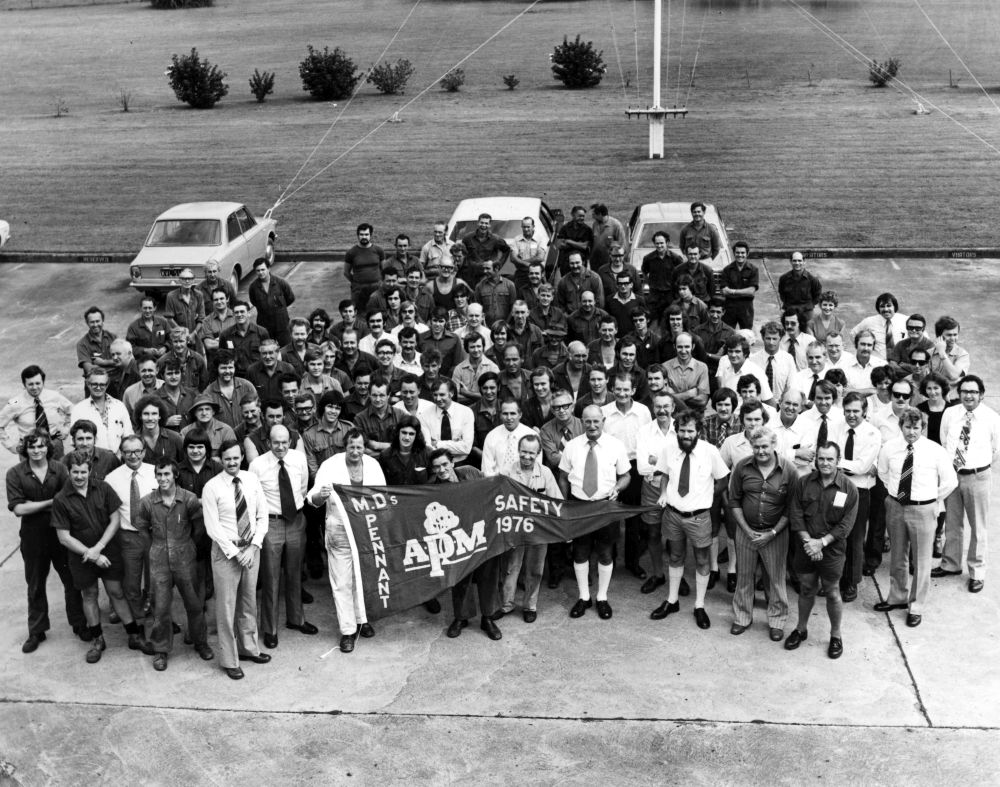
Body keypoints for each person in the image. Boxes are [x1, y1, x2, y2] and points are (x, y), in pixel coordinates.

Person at [51, 449, 152, 663]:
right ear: (68, 471)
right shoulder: (61, 499)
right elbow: (64, 537)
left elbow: (115, 520)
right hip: (81, 557)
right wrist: (92, 554)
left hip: (107, 549)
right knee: (89, 594)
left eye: (83, 472)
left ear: (90, 471)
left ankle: (133, 635)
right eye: (75, 472)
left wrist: (99, 547)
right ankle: (98, 639)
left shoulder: (104, 488)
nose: (79, 477)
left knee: (116, 592)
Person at [872, 407, 957, 628]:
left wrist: (930, 500)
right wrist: (896, 494)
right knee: (898, 555)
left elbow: (950, 482)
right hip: (896, 506)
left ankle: (916, 605)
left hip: (923, 509)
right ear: (901, 426)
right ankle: (897, 597)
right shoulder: (889, 448)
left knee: (921, 559)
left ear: (923, 427)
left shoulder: (935, 450)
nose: (911, 432)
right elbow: (882, 473)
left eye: (916, 427)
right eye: (907, 427)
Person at [7, 431, 86, 652]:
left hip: (60, 533)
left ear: (47, 448)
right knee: (35, 583)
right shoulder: (15, 473)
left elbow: (68, 500)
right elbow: (19, 508)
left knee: (71, 580)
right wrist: (51, 501)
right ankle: (37, 630)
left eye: (41, 446)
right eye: (32, 447)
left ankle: (79, 623)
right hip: (33, 536)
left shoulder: (59, 468)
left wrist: (35, 503)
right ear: (26, 449)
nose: (37, 451)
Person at [652, 411, 730, 629]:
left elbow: (723, 480)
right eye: (682, 431)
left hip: (699, 517)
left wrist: (707, 497)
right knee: (675, 556)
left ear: (699, 432)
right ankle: (672, 600)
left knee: (702, 560)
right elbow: (665, 473)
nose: (686, 435)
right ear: (677, 431)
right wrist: (663, 493)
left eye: (690, 431)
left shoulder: (710, 451)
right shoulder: (669, 449)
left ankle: (699, 605)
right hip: (674, 514)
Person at [134, 458, 214, 671]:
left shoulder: (188, 499)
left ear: (175, 475)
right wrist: (154, 548)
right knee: (160, 607)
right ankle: (161, 649)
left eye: (167, 474)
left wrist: (190, 548)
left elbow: (199, 527)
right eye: (159, 475)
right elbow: (141, 529)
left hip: (185, 556)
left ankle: (200, 642)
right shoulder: (147, 502)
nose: (163, 479)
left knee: (194, 603)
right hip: (159, 557)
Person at [309, 429, 384, 653]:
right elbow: (312, 500)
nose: (355, 451)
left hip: (365, 529)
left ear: (364, 448)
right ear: (345, 446)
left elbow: (382, 496)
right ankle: (348, 631)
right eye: (351, 447)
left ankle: (362, 619)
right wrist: (321, 494)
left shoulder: (372, 465)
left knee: (363, 578)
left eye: (359, 447)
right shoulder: (330, 466)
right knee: (342, 581)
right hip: (339, 529)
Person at [202, 439, 270, 680]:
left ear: (242, 456)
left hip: (251, 550)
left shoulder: (251, 480)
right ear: (220, 459)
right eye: (227, 458)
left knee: (249, 601)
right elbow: (213, 527)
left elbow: (262, 516)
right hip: (226, 553)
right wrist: (235, 552)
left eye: (236, 457)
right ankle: (230, 660)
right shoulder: (212, 487)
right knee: (226, 607)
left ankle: (249, 648)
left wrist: (253, 547)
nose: (232, 462)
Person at [785, 442, 858, 659]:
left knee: (832, 591)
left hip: (832, 550)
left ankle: (835, 635)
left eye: (830, 459)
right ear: (816, 459)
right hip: (806, 547)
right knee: (807, 588)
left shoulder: (848, 488)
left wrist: (822, 543)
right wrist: (810, 543)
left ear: (838, 461)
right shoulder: (803, 483)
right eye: (822, 458)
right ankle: (801, 629)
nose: (825, 463)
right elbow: (796, 514)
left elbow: (846, 525)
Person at [559, 405, 631, 620]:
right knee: (580, 552)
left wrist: (617, 489)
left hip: (604, 507)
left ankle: (601, 597)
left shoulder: (615, 445)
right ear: (582, 422)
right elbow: (563, 476)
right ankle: (583, 597)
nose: (591, 425)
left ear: (603, 420)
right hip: (579, 506)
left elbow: (626, 475)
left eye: (596, 421)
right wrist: (565, 504)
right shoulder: (572, 446)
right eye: (587, 421)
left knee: (605, 552)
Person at [728, 426, 796, 640]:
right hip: (746, 532)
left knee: (776, 579)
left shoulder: (789, 470)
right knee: (744, 576)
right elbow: (734, 501)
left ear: (774, 445)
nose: (761, 451)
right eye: (756, 447)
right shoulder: (742, 467)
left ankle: (777, 621)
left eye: (765, 446)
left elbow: (791, 508)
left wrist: (773, 532)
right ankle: (742, 617)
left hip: (775, 534)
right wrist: (746, 530)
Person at [250, 424, 314, 649]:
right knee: (271, 577)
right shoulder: (257, 465)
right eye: (275, 442)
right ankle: (270, 629)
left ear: (290, 441)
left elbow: (304, 487)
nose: (280, 447)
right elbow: (254, 497)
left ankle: (296, 619)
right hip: (271, 523)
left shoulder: (298, 459)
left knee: (295, 573)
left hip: (296, 519)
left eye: (284, 442)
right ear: (268, 442)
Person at [428, 448, 503, 639]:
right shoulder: (431, 487)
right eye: (436, 467)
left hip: (483, 531)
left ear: (453, 462)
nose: (442, 470)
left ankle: (488, 617)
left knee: (489, 576)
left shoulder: (470, 472)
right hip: (456, 539)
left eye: (445, 464)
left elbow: (490, 489)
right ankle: (461, 617)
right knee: (460, 578)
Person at [936, 375, 1000, 592]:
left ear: (981, 394)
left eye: (973, 392)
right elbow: (945, 441)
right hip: (953, 475)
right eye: (965, 391)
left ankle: (977, 572)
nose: (969, 395)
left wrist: (977, 467)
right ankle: (951, 564)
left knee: (978, 527)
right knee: (952, 523)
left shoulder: (992, 418)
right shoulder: (950, 414)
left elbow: (996, 450)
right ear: (959, 393)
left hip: (977, 477)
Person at [500, 434, 562, 622]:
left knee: (535, 570)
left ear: (538, 453)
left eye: (531, 453)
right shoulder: (506, 472)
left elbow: (556, 502)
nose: (527, 457)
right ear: (518, 451)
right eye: (524, 452)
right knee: (511, 568)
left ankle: (530, 606)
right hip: (515, 530)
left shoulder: (546, 473)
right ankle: (506, 605)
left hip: (538, 531)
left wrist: (562, 529)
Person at [830, 392, 881, 603]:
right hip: (836, 487)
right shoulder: (836, 427)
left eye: (856, 411)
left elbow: (863, 466)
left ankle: (851, 581)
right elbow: (828, 456)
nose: (851, 415)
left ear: (865, 411)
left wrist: (839, 465)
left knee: (855, 536)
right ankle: (833, 578)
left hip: (860, 491)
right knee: (833, 531)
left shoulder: (873, 433)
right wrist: (846, 467)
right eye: (848, 411)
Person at [104, 435, 157, 624]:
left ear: (143, 452)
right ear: (121, 453)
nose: (133, 456)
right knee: (131, 582)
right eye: (128, 452)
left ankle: (156, 614)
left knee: (156, 580)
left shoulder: (156, 473)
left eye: (137, 451)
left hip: (154, 535)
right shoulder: (111, 479)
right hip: (128, 537)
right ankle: (138, 618)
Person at [635, 392, 677, 595]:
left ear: (673, 408)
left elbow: (684, 464)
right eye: (658, 406)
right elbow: (642, 467)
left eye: (666, 406)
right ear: (653, 408)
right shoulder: (644, 431)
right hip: (651, 487)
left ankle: (676, 576)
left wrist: (656, 460)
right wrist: (667, 462)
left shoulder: (681, 429)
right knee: (653, 532)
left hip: (678, 487)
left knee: (676, 535)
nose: (662, 410)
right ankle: (659, 574)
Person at [0, 364, 72, 457]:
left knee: (57, 470)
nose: (34, 387)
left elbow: (73, 411)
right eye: (30, 384)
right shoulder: (15, 403)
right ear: (24, 384)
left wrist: (66, 429)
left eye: (38, 383)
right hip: (29, 447)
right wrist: (10, 446)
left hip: (54, 444)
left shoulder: (54, 396)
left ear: (43, 382)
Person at [70, 368, 133, 454]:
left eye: (102, 384)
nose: (98, 387)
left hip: (118, 459)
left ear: (107, 385)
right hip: (92, 460)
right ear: (88, 384)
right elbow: (75, 441)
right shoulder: (79, 409)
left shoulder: (119, 406)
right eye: (94, 384)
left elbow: (128, 435)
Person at [851, 292, 908, 362]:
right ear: (878, 308)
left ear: (895, 307)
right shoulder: (869, 322)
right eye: (882, 306)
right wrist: (865, 350)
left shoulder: (905, 320)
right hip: (878, 363)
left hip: (901, 363)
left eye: (889, 306)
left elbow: (923, 336)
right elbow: (853, 334)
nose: (886, 309)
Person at [641, 231, 685, 320]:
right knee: (654, 320)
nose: (659, 246)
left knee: (671, 318)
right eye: (657, 243)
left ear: (667, 243)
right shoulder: (648, 258)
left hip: (670, 296)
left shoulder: (676, 258)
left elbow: (681, 276)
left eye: (662, 243)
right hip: (655, 296)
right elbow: (645, 272)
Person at [663, 332, 710, 411]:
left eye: (687, 347)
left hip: (695, 415)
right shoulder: (665, 367)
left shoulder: (702, 367)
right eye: (680, 347)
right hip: (673, 414)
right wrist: (689, 394)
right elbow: (664, 398)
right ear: (674, 347)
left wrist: (674, 396)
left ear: (693, 346)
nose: (683, 351)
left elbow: (702, 401)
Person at [344, 222, 385, 309]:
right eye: (361, 234)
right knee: (358, 313)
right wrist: (355, 282)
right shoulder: (351, 252)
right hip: (359, 290)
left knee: (378, 312)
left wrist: (380, 282)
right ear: (358, 235)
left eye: (366, 234)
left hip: (376, 288)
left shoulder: (379, 250)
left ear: (371, 235)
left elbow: (384, 269)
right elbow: (346, 272)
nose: (364, 237)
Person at [380, 415, 430, 485]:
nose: (407, 437)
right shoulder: (385, 455)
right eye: (404, 433)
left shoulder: (427, 453)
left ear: (417, 435)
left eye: (411, 434)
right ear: (398, 432)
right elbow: (382, 482)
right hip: (396, 495)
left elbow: (434, 478)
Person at [462, 213, 510, 286]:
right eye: (482, 222)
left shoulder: (495, 239)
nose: (483, 225)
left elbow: (507, 250)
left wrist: (499, 264)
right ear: (478, 223)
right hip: (470, 274)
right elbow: (462, 253)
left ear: (490, 225)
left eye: (486, 223)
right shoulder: (467, 238)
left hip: (486, 275)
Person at [777, 252, 822, 329]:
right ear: (790, 261)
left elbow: (817, 296)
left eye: (799, 260)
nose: (797, 263)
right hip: (790, 310)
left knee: (808, 335)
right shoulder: (784, 279)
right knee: (788, 334)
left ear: (804, 261)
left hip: (806, 312)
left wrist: (808, 306)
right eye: (794, 261)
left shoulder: (812, 280)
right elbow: (782, 294)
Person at [719, 242, 758, 329]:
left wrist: (732, 291)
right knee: (727, 334)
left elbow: (751, 291)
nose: (740, 255)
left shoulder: (753, 270)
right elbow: (724, 291)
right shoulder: (727, 270)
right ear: (734, 253)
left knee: (746, 335)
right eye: (737, 252)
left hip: (746, 308)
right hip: (730, 308)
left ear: (747, 253)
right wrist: (744, 292)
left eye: (742, 253)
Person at [158, 326, 210, 390]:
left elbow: (204, 383)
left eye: (181, 341)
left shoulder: (198, 359)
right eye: (175, 342)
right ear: (171, 342)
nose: (178, 345)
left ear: (187, 341)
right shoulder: (163, 361)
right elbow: (159, 385)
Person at [76, 306, 118, 384]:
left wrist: (104, 363)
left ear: (103, 321)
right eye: (92, 322)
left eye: (97, 321)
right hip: (95, 385)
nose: (95, 325)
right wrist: (113, 364)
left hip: (116, 383)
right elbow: (89, 369)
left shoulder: (113, 337)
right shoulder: (82, 344)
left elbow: (123, 361)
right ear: (87, 323)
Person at [125, 296, 171, 362]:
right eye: (145, 308)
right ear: (140, 308)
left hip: (163, 361)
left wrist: (165, 347)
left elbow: (171, 339)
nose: (147, 311)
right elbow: (129, 348)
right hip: (143, 363)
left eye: (150, 308)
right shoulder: (133, 327)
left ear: (155, 308)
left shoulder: (163, 323)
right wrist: (145, 350)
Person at [163, 268, 205, 336]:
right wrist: (183, 333)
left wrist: (194, 334)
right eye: (184, 279)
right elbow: (169, 318)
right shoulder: (171, 296)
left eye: (190, 278)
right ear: (179, 280)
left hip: (195, 333)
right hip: (178, 333)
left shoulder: (198, 295)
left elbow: (202, 317)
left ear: (193, 280)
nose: (187, 281)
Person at [555, 205, 594, 276]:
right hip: (566, 263)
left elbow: (585, 246)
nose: (582, 218)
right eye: (579, 216)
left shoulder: (587, 230)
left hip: (580, 263)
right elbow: (559, 245)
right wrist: (578, 244)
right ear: (573, 215)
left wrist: (569, 241)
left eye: (583, 216)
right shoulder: (565, 228)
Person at [589, 203, 627, 271]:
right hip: (595, 262)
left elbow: (622, 245)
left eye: (594, 214)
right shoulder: (595, 224)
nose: (592, 216)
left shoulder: (616, 225)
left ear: (600, 214)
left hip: (608, 263)